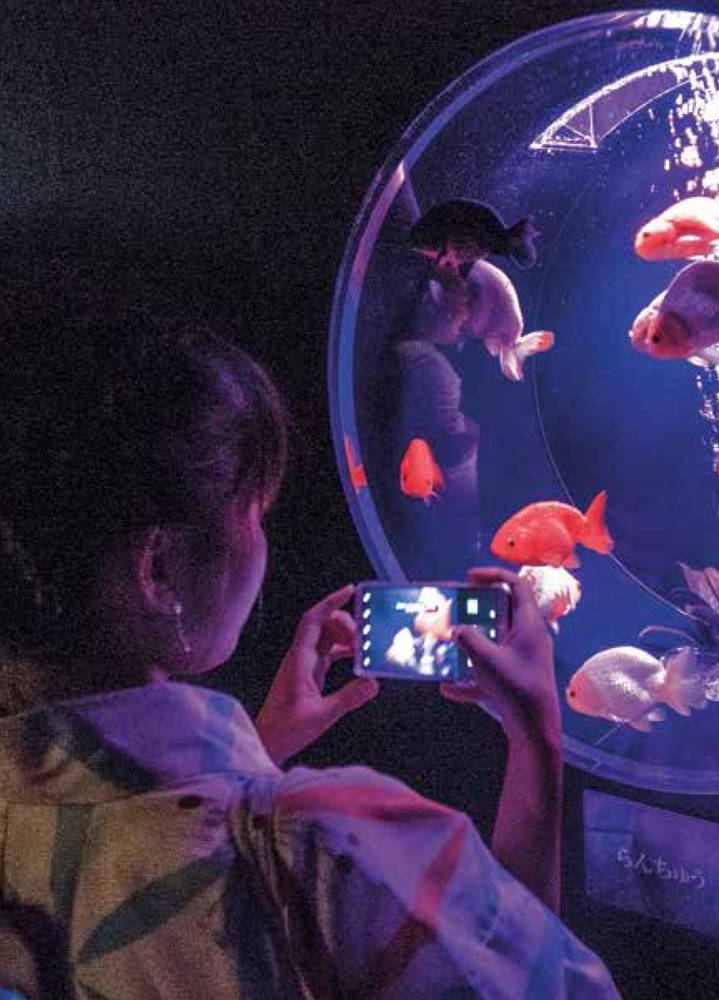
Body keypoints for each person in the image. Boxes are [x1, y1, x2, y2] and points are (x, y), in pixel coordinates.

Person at [0, 311, 621, 998]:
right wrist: (537, 737)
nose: (264, 546)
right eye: (255, 514)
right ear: (160, 569)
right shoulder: (330, 849)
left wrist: (260, 748)